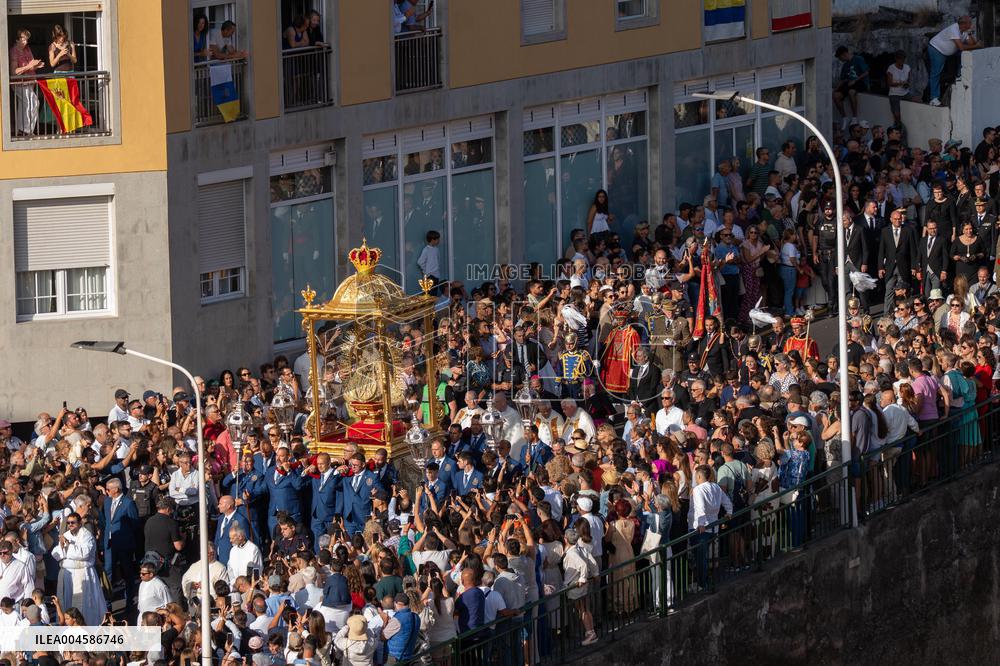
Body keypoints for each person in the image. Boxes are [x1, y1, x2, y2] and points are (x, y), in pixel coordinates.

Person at [52, 511, 107, 626]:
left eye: (73, 522)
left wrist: (67, 546)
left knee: (85, 605)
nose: (70, 525)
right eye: (68, 523)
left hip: (82, 574)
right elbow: (56, 553)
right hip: (67, 575)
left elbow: (84, 554)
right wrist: (62, 547)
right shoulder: (66, 535)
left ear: (80, 522)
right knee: (66, 602)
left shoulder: (87, 536)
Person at [927, 15, 980, 107]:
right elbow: (962, 47)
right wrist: (977, 46)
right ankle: (933, 98)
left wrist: (970, 34)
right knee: (936, 73)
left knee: (965, 54)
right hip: (937, 49)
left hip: (951, 51)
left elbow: (972, 43)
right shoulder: (954, 29)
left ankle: (959, 75)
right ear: (964, 24)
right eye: (969, 23)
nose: (971, 24)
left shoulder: (964, 30)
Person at [9, 28, 44, 137]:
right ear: (17, 40)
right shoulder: (14, 51)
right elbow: (14, 72)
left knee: (25, 105)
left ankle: (21, 130)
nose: (26, 42)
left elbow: (30, 65)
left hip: (29, 82)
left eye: (27, 40)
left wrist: (36, 65)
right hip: (20, 83)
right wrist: (30, 66)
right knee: (33, 103)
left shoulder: (27, 49)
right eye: (23, 39)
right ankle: (27, 130)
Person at [833, 45, 868, 127]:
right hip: (849, 83)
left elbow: (866, 72)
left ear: (844, 54)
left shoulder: (858, 59)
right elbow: (842, 79)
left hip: (860, 82)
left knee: (851, 92)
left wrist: (855, 80)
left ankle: (855, 117)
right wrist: (836, 89)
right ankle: (844, 117)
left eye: (840, 58)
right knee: (836, 96)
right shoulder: (845, 65)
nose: (840, 60)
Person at [886, 50, 910, 124]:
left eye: (903, 58)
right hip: (894, 94)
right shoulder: (891, 68)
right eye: (900, 58)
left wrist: (906, 85)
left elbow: (909, 80)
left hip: (905, 93)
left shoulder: (907, 67)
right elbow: (889, 83)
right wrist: (900, 83)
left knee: (918, 100)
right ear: (896, 59)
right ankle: (897, 126)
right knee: (897, 114)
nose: (901, 60)